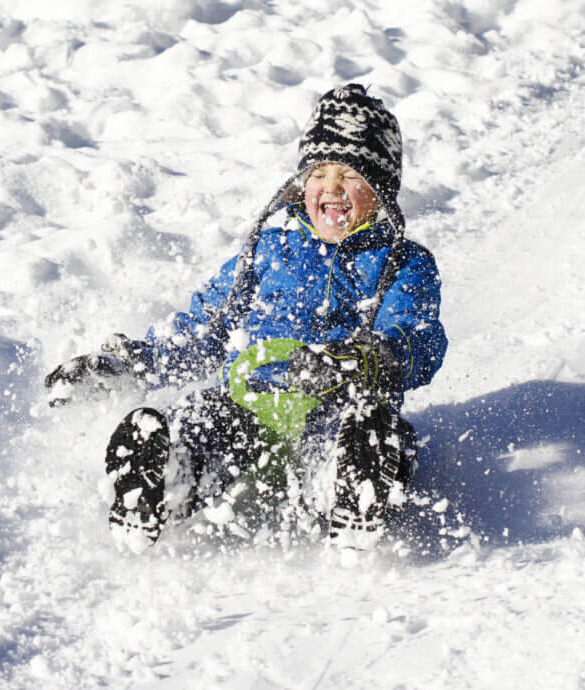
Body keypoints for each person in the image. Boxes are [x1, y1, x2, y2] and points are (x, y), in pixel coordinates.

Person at [45, 84, 447, 550]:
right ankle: (164, 475)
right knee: (200, 417)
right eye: (319, 173)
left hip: (334, 406)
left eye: (350, 175)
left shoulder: (403, 263)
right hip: (247, 406)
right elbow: (203, 332)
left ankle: (350, 485)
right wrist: (130, 362)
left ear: (380, 190)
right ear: (301, 184)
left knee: (373, 427)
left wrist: (375, 357)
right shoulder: (268, 252)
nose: (332, 188)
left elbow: (420, 334)